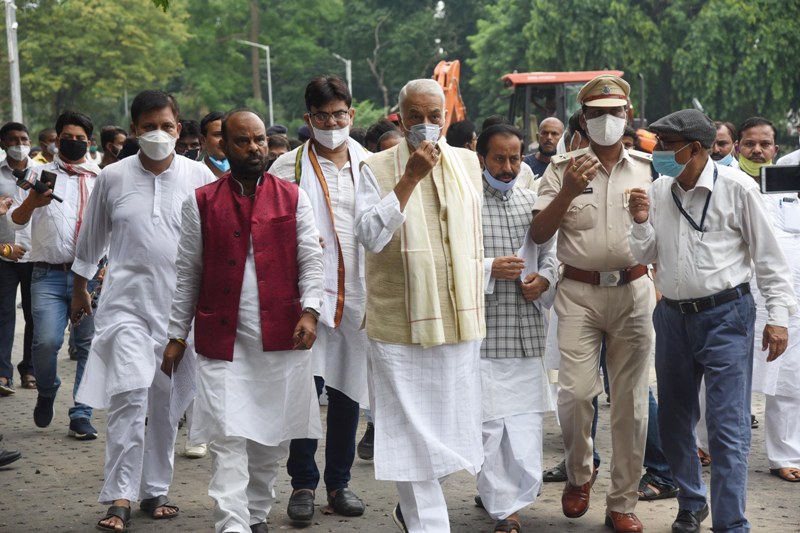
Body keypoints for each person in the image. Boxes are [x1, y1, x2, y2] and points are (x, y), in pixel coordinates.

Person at [627, 109, 796, 533]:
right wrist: (640, 222)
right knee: (674, 421)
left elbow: (771, 260)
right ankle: (690, 501)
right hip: (672, 319)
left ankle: (731, 522)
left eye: (667, 146)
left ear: (695, 149)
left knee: (726, 426)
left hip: (726, 316)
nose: (660, 153)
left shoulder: (737, 187)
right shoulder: (661, 188)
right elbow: (645, 256)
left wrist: (778, 318)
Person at [162, 108, 324, 533]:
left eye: (260, 140)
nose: (255, 148)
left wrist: (310, 311)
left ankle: (255, 515)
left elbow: (312, 260)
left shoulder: (293, 197)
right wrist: (177, 334)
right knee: (228, 435)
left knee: (271, 436)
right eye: (243, 141)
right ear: (224, 145)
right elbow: (187, 274)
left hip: (283, 335)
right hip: (221, 336)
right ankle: (231, 523)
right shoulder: (201, 201)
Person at [69, 90, 215, 532]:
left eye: (166, 126)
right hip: (125, 309)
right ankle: (120, 495)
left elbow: (221, 240)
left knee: (166, 403)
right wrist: (79, 289)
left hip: (178, 313)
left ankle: (155, 489)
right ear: (134, 129)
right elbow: (91, 239)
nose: (158, 134)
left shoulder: (200, 177)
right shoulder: (112, 177)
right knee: (129, 397)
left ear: (179, 129)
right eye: (148, 126)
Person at [355, 78, 485, 533]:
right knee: (410, 434)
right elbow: (370, 234)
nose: (426, 126)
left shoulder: (469, 163)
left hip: (459, 321)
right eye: (416, 117)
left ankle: (411, 512)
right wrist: (409, 178)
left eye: (435, 117)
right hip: (399, 322)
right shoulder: (376, 166)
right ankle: (430, 524)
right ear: (400, 117)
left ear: (446, 119)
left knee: (451, 434)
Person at [531, 75, 654, 533]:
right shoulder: (562, 167)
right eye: (597, 114)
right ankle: (580, 474)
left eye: (615, 113)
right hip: (578, 293)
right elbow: (540, 233)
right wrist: (566, 190)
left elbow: (659, 236)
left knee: (632, 405)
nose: (606, 121)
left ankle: (623, 501)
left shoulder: (647, 167)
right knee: (577, 394)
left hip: (633, 291)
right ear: (583, 118)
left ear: (627, 116)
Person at [270, 75, 369, 523]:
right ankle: (303, 484)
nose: (333, 123)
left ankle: (339, 483)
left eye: (340, 114)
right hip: (306, 297)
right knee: (305, 391)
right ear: (308, 119)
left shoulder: (374, 165)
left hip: (359, 296)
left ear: (353, 114)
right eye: (323, 116)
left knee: (349, 391)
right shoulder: (285, 169)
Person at [476, 124, 557, 533]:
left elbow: (553, 255)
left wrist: (544, 278)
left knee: (524, 426)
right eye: (498, 159)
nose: (507, 168)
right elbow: (448, 264)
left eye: (513, 158)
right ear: (481, 157)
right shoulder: (464, 204)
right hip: (483, 336)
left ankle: (512, 496)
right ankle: (503, 508)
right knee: (489, 428)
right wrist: (488, 269)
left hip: (525, 332)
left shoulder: (533, 203)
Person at [9, 111, 101, 439]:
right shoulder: (38, 174)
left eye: (80, 139)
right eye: (67, 137)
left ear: (90, 143)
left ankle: (82, 412)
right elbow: (16, 220)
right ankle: (47, 391)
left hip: (90, 275)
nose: (73, 143)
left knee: (88, 344)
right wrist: (33, 202)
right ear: (55, 140)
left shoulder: (100, 177)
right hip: (47, 273)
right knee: (46, 342)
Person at [0, 122, 34, 394]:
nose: (19, 143)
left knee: (36, 316)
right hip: (4, 255)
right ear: (2, 144)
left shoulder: (43, 172)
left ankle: (30, 369)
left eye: (23, 138)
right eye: (13, 139)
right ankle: (3, 374)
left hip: (37, 255)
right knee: (4, 314)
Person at [200, 111, 228, 178]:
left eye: (227, 134)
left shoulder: (247, 174)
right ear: (203, 140)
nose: (223, 140)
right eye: (218, 135)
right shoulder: (193, 174)